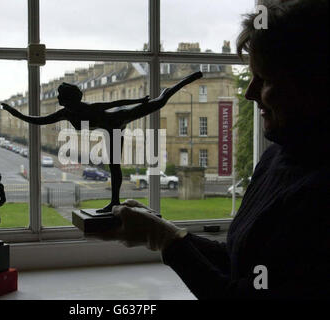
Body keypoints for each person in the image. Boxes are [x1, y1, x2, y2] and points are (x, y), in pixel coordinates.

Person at [88, 0, 329, 299]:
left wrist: (165, 240)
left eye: (265, 79)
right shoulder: (277, 157)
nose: (249, 92)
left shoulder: (322, 191)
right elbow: (241, 261)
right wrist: (161, 231)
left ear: (314, 84)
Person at [2, 71, 202, 213]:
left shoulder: (89, 108)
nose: (58, 98)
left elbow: (115, 104)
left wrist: (140, 101)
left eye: (60, 96)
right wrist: (13, 112)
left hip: (118, 121)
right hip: (109, 129)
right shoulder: (65, 113)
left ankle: (185, 81)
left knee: (159, 101)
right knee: (114, 167)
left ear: (68, 98)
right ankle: (114, 202)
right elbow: (37, 120)